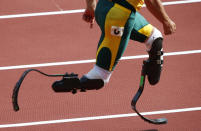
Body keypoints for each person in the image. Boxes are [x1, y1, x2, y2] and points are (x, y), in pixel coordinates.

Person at [52, 0, 176, 93]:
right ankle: (71, 83)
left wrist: (91, 6)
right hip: (119, 15)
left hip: (103, 8)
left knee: (154, 37)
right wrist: (166, 20)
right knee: (100, 76)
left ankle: (153, 77)